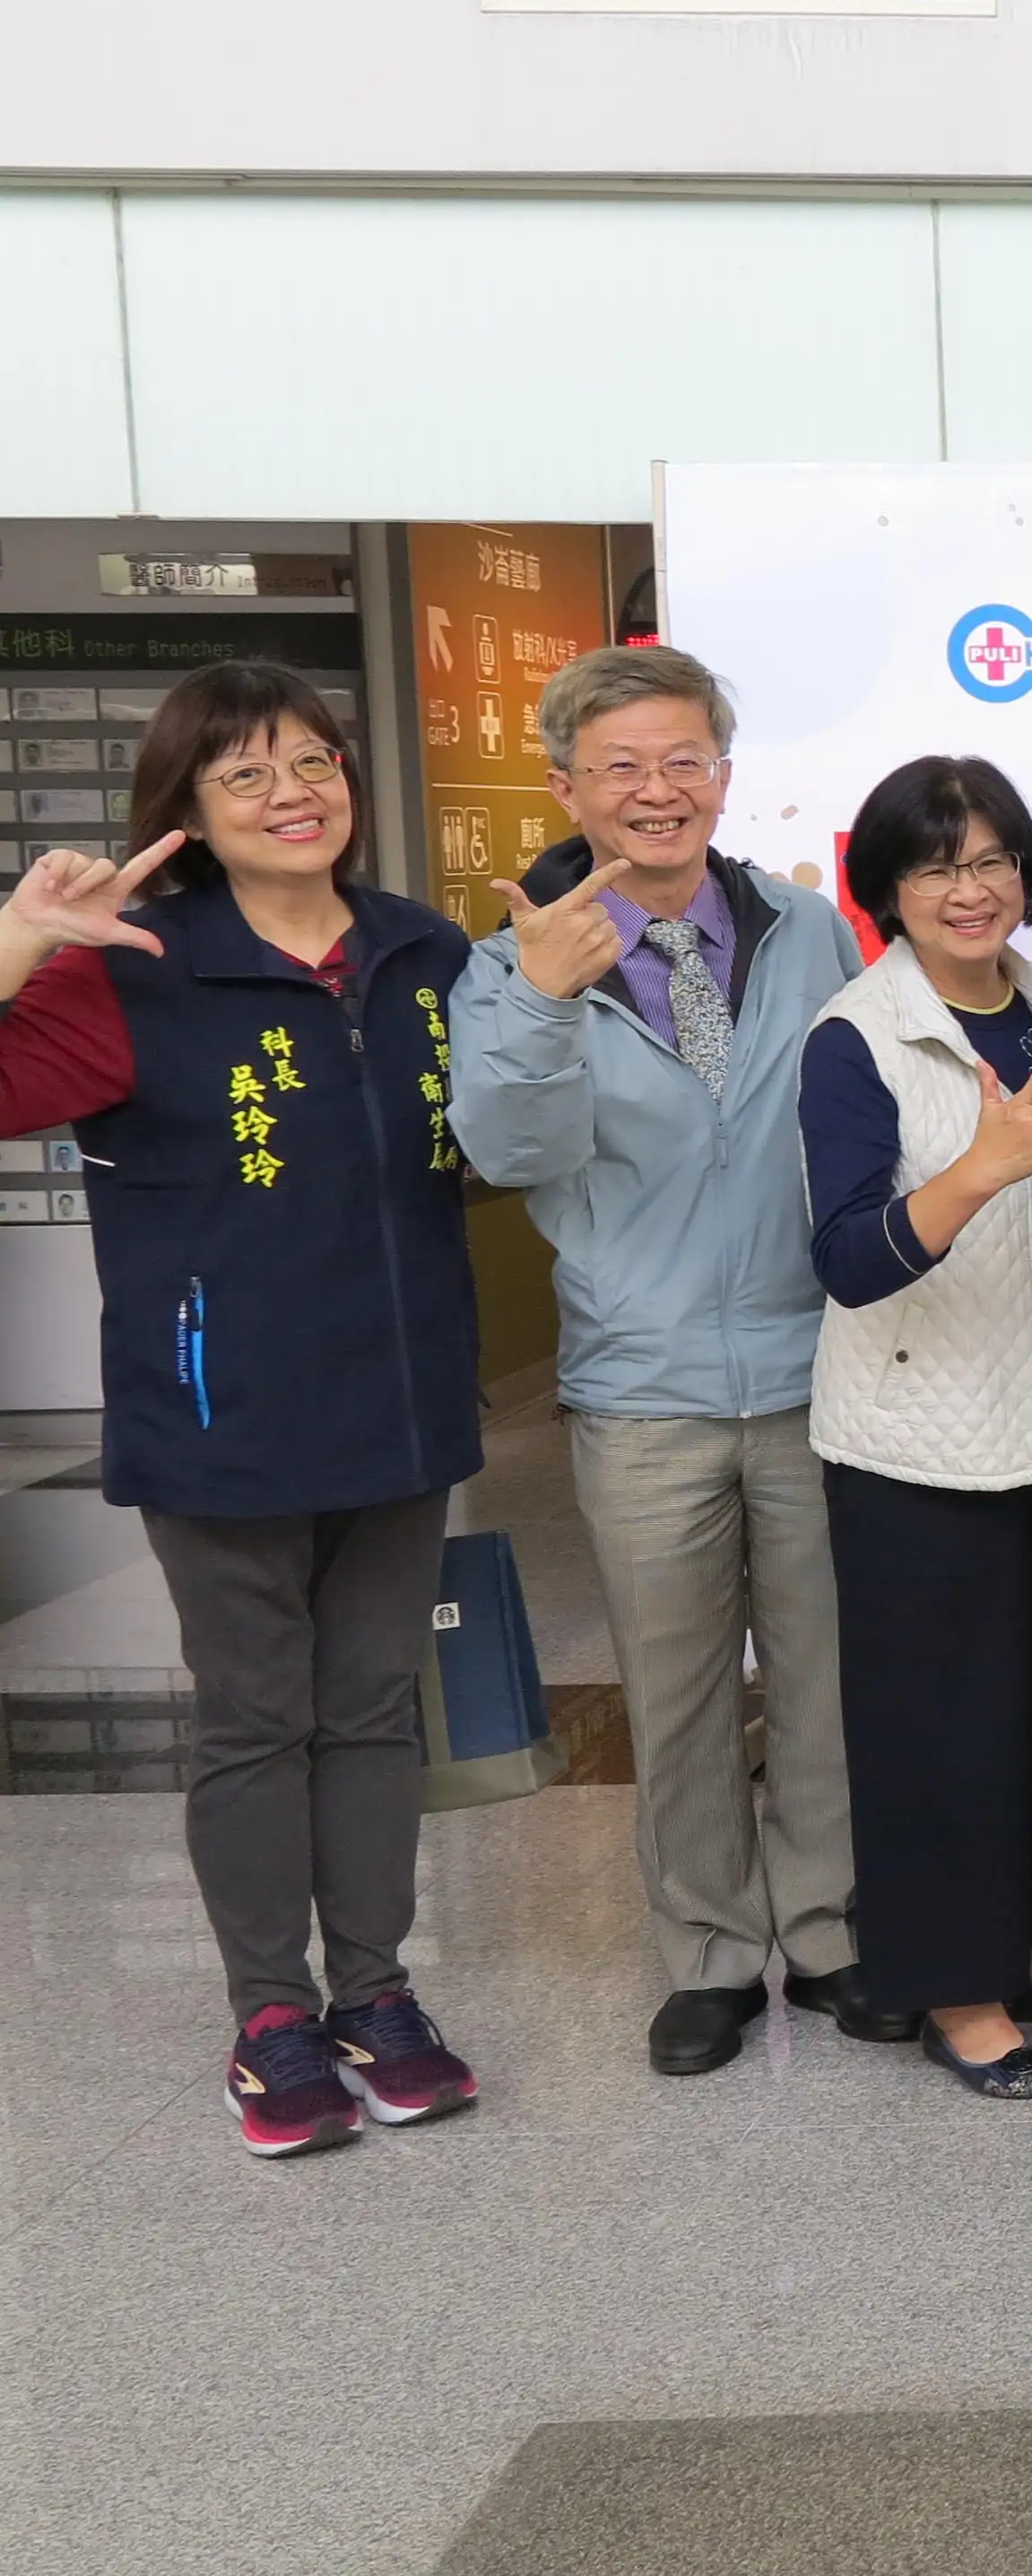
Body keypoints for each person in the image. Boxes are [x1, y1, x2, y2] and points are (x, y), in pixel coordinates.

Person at [0, 663, 483, 2154]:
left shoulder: (423, 952)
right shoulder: (131, 964)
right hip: (221, 1416)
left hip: (401, 1406)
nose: (296, 793)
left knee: (375, 1711)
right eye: (250, 774)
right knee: (259, 1719)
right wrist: (15, 945)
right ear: (193, 814)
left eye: (316, 761)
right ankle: (272, 2014)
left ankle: (378, 1995)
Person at [449, 645, 894, 2076]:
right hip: (642, 1389)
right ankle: (707, 1954)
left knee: (830, 1674)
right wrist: (534, 996)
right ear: (565, 784)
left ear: (723, 774)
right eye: (622, 767)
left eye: (684, 761)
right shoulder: (511, 960)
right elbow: (510, 1153)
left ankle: (826, 1933)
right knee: (679, 1683)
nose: (658, 792)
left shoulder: (806, 926)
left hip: (817, 1365)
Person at [801, 755, 1032, 2102]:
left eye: (995, 859)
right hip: (913, 1440)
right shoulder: (860, 1035)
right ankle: (956, 1983)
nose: (971, 887)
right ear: (887, 884)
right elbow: (845, 1257)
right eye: (939, 863)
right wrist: (977, 1170)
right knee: (936, 1724)